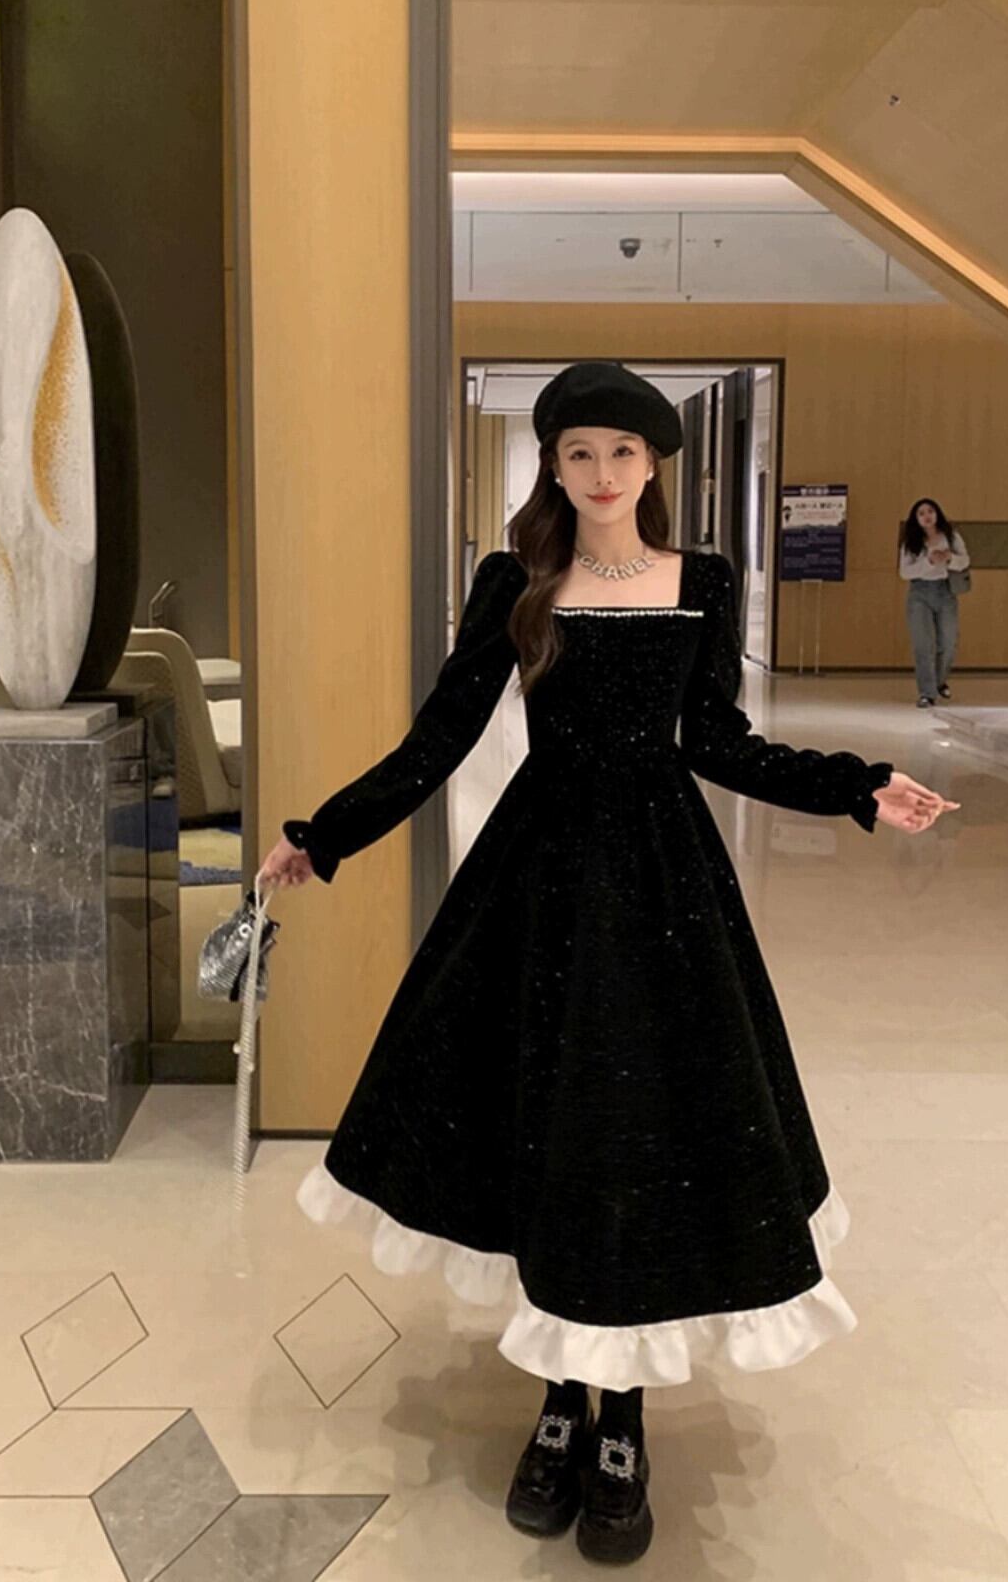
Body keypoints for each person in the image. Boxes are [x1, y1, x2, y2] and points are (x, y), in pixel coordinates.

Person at [259, 361, 959, 1565]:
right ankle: (557, 1401)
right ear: (553, 463)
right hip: (538, 884)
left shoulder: (702, 583)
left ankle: (621, 1419)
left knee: (639, 1137)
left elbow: (719, 743)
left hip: (665, 891)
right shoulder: (516, 583)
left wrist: (855, 786)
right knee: (549, 1128)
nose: (601, 473)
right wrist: (325, 835)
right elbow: (439, 738)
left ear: (652, 465)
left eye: (622, 452)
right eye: (578, 452)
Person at [898, 497, 971, 707]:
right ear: (916, 519)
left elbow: (965, 561)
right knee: (923, 644)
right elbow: (905, 572)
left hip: (945, 591)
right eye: (921, 513)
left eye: (930, 511)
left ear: (937, 513)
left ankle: (939, 681)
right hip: (919, 593)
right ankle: (927, 693)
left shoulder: (951, 536)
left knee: (948, 642)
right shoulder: (911, 541)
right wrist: (929, 562)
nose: (927, 516)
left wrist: (949, 558)